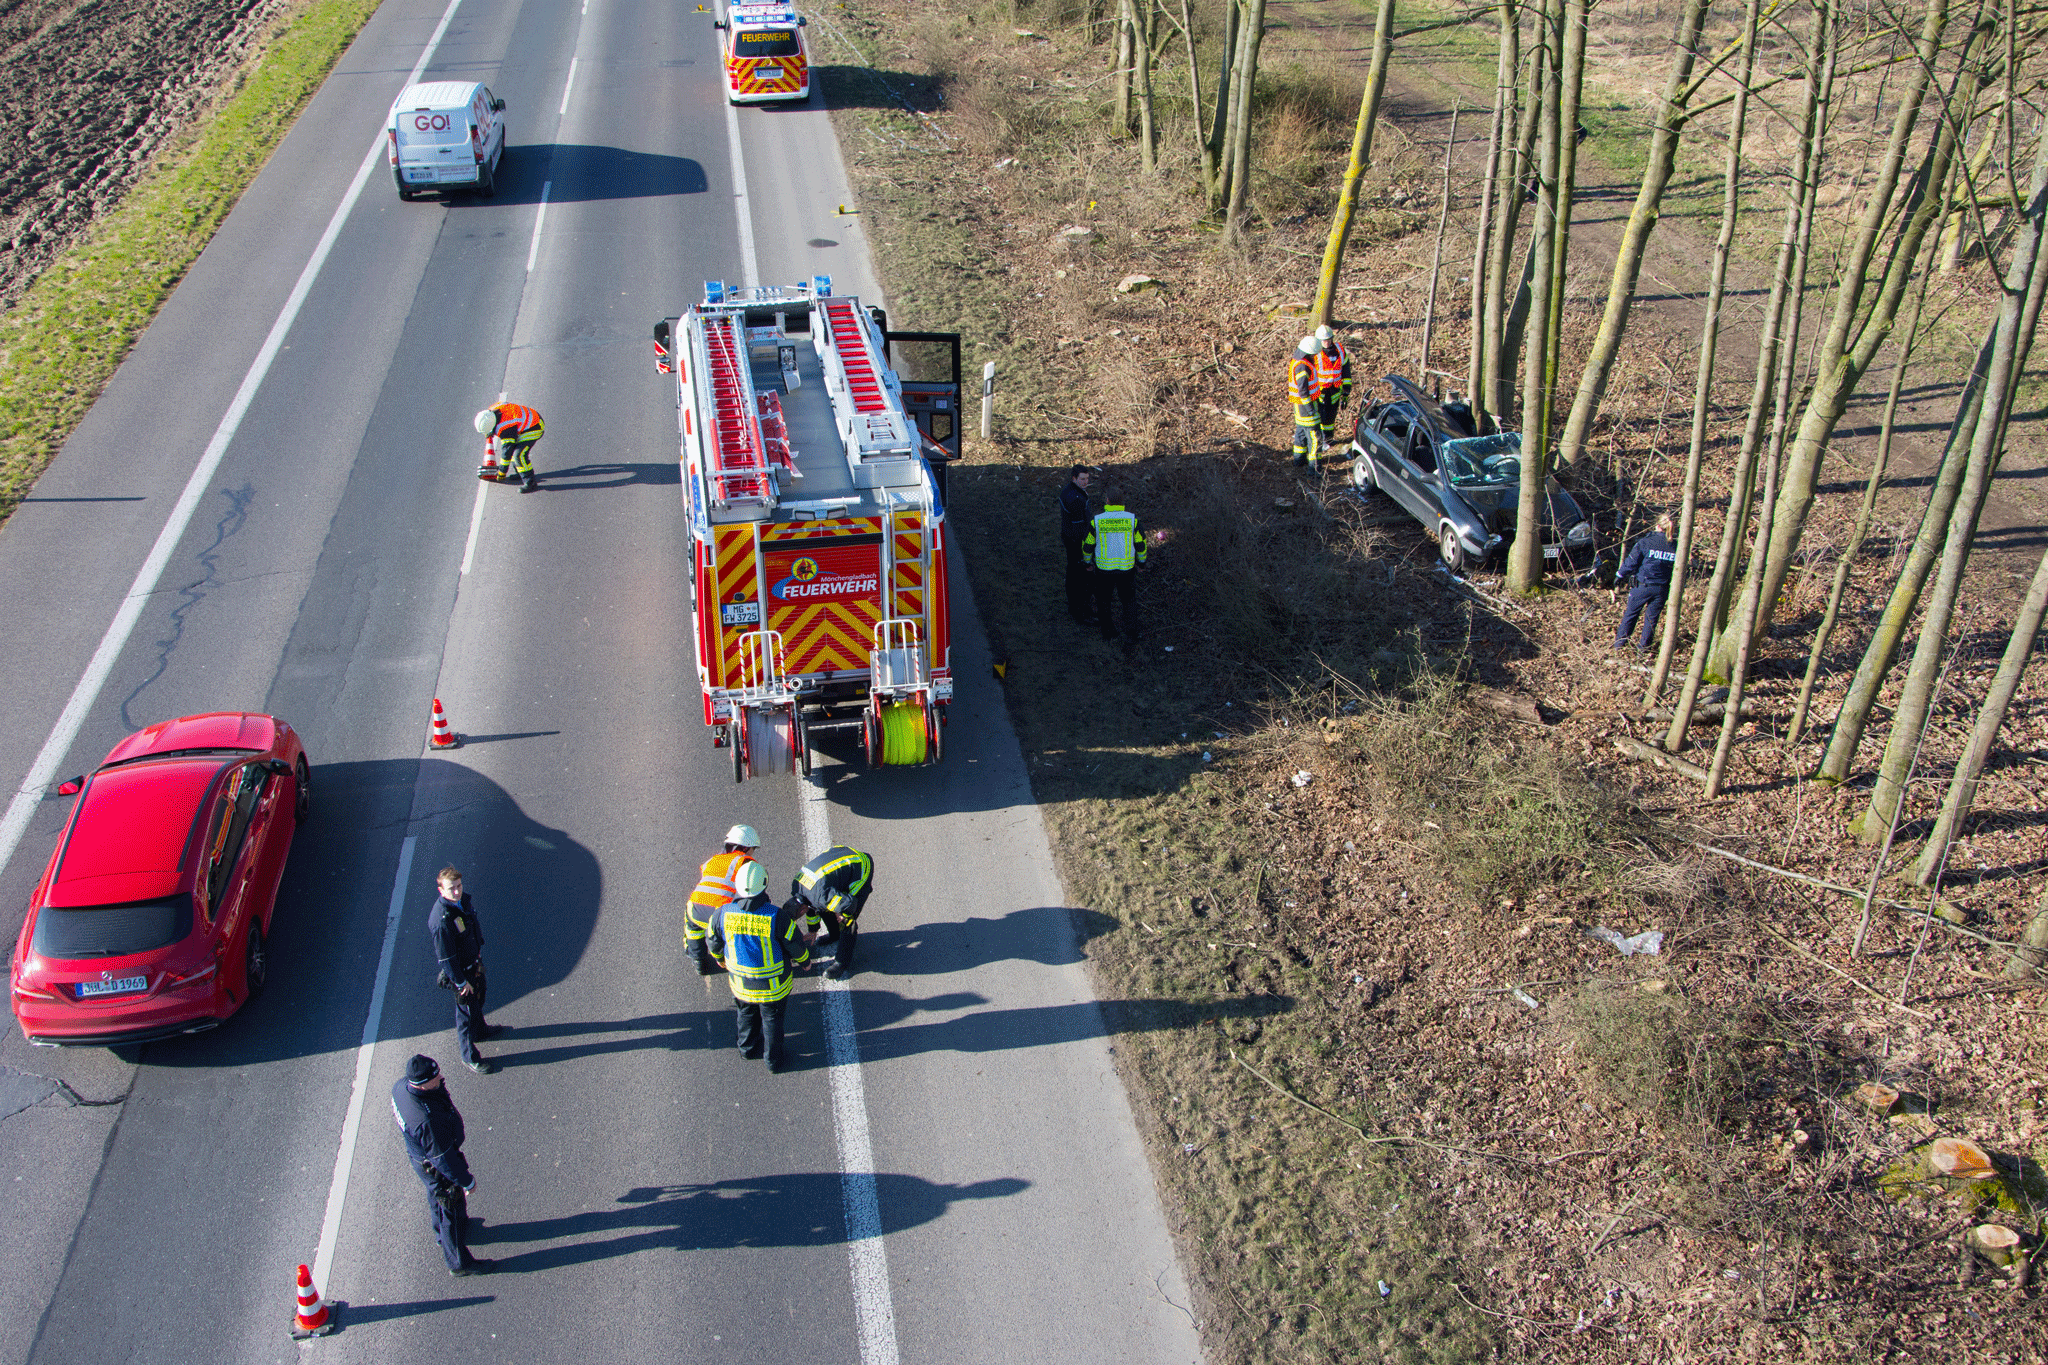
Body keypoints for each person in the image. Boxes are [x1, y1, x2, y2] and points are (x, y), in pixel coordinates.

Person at [702, 861, 811, 1072]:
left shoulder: (722, 913)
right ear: (764, 884)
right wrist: (805, 962)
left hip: (741, 984)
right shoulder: (777, 916)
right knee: (772, 1020)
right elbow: (795, 945)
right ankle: (773, 1061)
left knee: (745, 1014)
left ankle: (747, 1048)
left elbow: (712, 939)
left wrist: (719, 958)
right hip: (773, 987)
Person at [390, 1055, 491, 1276]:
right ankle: (459, 1263)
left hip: (421, 1158)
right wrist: (467, 1181)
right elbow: (444, 1159)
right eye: (435, 1078)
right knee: (450, 1204)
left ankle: (441, 1235)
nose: (441, 1078)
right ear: (422, 1084)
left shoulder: (401, 1087)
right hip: (435, 1163)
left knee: (435, 1195)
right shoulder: (426, 1121)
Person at [429, 866, 500, 1074]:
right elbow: (447, 958)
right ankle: (469, 1057)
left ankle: (480, 1031)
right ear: (441, 890)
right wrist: (461, 982)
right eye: (451, 888)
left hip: (473, 964)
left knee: (478, 998)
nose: (457, 891)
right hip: (462, 974)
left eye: (459, 886)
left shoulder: (461, 902)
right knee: (465, 1016)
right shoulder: (442, 920)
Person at [789, 845, 874, 980]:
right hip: (841, 860)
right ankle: (835, 935)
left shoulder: (820, 897)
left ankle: (842, 962)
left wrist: (841, 911)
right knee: (823, 907)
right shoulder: (797, 887)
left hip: (861, 867)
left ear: (802, 909)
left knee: (847, 920)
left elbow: (850, 904)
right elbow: (812, 907)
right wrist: (813, 930)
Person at [686, 824, 762, 974]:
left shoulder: (713, 860)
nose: (753, 853)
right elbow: (752, 891)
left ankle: (698, 961)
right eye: (753, 848)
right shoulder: (746, 862)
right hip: (719, 915)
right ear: (745, 847)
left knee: (692, 928)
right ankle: (735, 958)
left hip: (695, 909)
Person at [1083, 502, 1147, 643]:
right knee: (1129, 600)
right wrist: (1141, 562)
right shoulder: (1132, 520)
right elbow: (1140, 543)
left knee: (1104, 601)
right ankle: (1132, 632)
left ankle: (1108, 632)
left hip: (1104, 569)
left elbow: (1087, 544)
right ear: (1122, 502)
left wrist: (1087, 562)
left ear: (1107, 501)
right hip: (1126, 569)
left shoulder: (1097, 520)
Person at [1614, 512, 1678, 650]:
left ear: (1658, 526)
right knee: (1651, 620)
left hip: (1642, 586)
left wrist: (1620, 574)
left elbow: (1631, 562)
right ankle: (1643, 649)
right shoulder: (1676, 546)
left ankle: (1619, 645)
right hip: (1661, 589)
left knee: (1631, 615)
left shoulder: (1646, 542)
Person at [474, 403, 542, 492]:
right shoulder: (491, 411)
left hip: (534, 427)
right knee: (515, 451)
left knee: (519, 455)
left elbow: (507, 452)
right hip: (529, 419)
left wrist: (502, 472)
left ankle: (530, 482)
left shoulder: (505, 427)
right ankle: (520, 473)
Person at [1058, 465, 1096, 625]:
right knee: (1082, 577)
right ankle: (1081, 611)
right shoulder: (1076, 499)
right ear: (1074, 478)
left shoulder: (1069, 491)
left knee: (1073, 573)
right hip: (1076, 541)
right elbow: (1080, 527)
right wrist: (1088, 546)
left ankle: (1075, 607)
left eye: (1087, 478)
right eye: (1082, 479)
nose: (1085, 482)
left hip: (1069, 537)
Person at [1311, 324, 1353, 462]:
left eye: (1328, 339)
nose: (1326, 342)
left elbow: (1345, 370)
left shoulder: (1339, 350)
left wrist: (1346, 390)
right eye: (1324, 340)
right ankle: (1321, 439)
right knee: (1320, 416)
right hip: (1320, 391)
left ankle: (1328, 438)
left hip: (1335, 390)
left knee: (1331, 416)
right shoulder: (1315, 353)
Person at [1288, 336, 1321, 467]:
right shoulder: (1303, 366)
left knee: (1301, 432)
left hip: (1299, 406)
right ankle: (1314, 468)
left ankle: (1299, 460)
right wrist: (1311, 409)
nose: (1315, 356)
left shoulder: (1297, 361)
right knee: (1315, 438)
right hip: (1306, 407)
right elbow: (1303, 392)